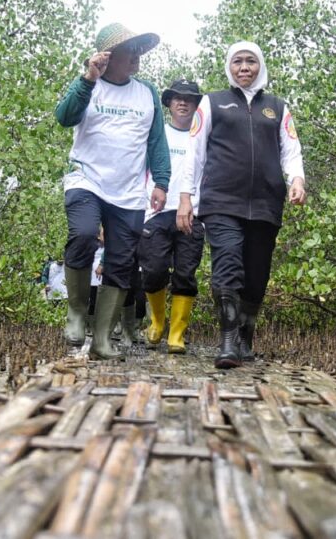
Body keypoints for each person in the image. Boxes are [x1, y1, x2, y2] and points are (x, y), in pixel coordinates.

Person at [177, 42, 306, 368]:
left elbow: (291, 149)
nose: (244, 67)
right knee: (228, 263)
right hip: (221, 199)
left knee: (257, 274)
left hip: (265, 202)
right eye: (238, 61)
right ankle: (228, 343)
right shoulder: (212, 103)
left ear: (259, 66)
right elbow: (194, 152)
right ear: (229, 66)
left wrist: (297, 180)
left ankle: (246, 336)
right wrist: (185, 198)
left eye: (250, 61)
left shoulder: (277, 107)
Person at [55, 23, 170, 360]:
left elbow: (157, 142)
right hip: (86, 179)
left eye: (137, 51)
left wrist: (161, 182)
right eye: (128, 51)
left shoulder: (146, 92)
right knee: (84, 233)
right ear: (107, 57)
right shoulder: (89, 86)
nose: (135, 57)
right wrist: (88, 79)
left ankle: (103, 340)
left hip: (129, 190)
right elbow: (64, 117)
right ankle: (76, 314)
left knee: (122, 261)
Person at [139, 79, 205, 354]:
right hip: (156, 213)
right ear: (168, 103)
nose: (182, 102)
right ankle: (157, 322)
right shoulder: (156, 135)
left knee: (185, 274)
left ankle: (177, 334)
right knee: (153, 271)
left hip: (193, 213)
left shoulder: (203, 136)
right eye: (176, 98)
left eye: (189, 98)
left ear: (196, 105)